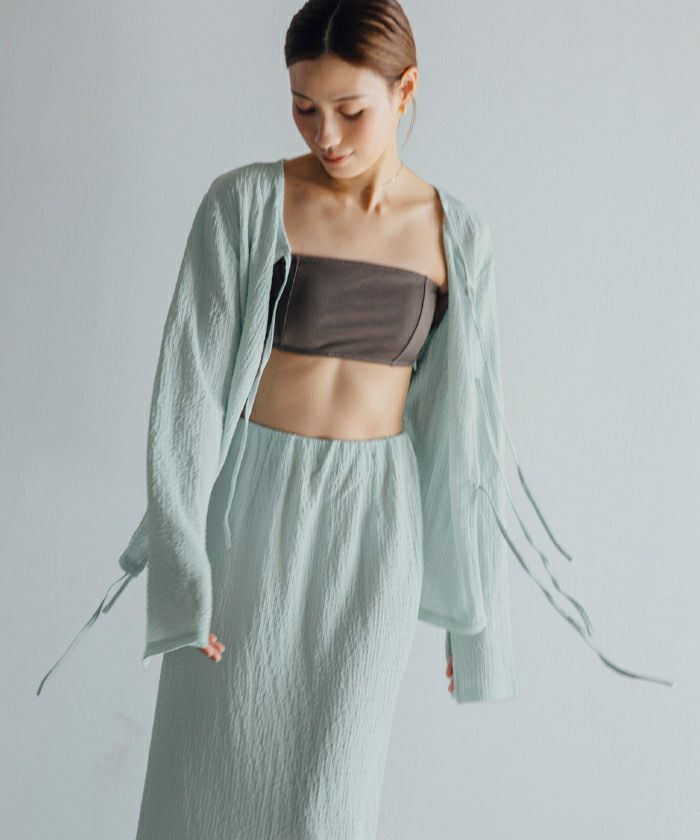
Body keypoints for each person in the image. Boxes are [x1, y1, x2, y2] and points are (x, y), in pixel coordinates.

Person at [35, 2, 675, 837]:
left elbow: (468, 434)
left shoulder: (456, 235)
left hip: (373, 525)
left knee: (329, 797)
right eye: (304, 107)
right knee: (201, 783)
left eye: (350, 109)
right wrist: (185, 580)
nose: (325, 135)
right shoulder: (244, 203)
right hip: (245, 518)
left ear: (406, 90)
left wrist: (475, 627)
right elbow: (185, 398)